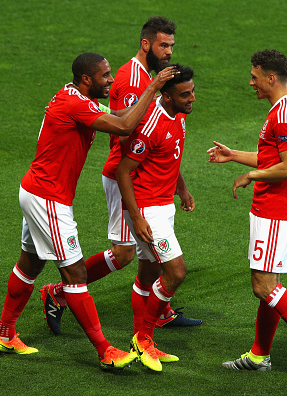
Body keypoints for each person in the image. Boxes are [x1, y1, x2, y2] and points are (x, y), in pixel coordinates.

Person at [0, 52, 178, 371]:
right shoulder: (76, 104)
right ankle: (105, 350)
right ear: (87, 79)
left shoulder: (75, 96)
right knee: (74, 274)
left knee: (30, 264)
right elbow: (122, 125)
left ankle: (5, 334)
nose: (111, 80)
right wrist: (153, 88)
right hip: (48, 198)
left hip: (38, 191)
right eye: (105, 76)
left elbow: (119, 114)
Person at [40, 16, 201, 336]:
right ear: (146, 44)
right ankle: (59, 291)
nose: (168, 53)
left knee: (148, 256)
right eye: (163, 46)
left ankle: (159, 312)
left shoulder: (149, 79)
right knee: (127, 253)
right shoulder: (132, 81)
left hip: (149, 179)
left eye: (171, 46)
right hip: (125, 177)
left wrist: (179, 185)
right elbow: (127, 134)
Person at [207, 49, 287, 385]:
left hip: (276, 211)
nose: (250, 83)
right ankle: (259, 355)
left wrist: (250, 177)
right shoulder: (283, 109)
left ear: (270, 78)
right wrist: (233, 156)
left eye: (254, 77)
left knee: (264, 286)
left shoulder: (285, 115)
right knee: (270, 286)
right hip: (273, 210)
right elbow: (272, 158)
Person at [116, 64, 196, 372]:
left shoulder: (180, 115)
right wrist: (136, 218)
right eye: (184, 94)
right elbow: (124, 171)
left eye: (192, 92)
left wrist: (183, 189)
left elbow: (171, 157)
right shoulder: (150, 126)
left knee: (148, 274)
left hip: (165, 205)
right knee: (176, 272)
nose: (191, 99)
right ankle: (144, 337)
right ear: (166, 95)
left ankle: (144, 342)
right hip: (148, 210)